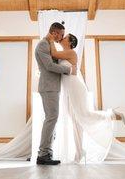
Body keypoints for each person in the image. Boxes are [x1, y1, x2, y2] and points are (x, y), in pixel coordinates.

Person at [48, 33, 125, 163]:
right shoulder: (64, 52)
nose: (62, 38)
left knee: (84, 115)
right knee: (75, 121)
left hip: (75, 88)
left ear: (70, 42)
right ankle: (79, 153)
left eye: (65, 37)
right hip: (67, 90)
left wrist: (50, 38)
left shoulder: (71, 53)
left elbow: (54, 54)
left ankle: (111, 114)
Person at [34, 22, 76, 165]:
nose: (62, 37)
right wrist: (69, 70)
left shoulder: (50, 45)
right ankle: (43, 154)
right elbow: (49, 66)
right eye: (61, 34)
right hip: (48, 87)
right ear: (54, 33)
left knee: (52, 118)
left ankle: (47, 153)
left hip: (53, 87)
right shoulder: (42, 45)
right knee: (51, 118)